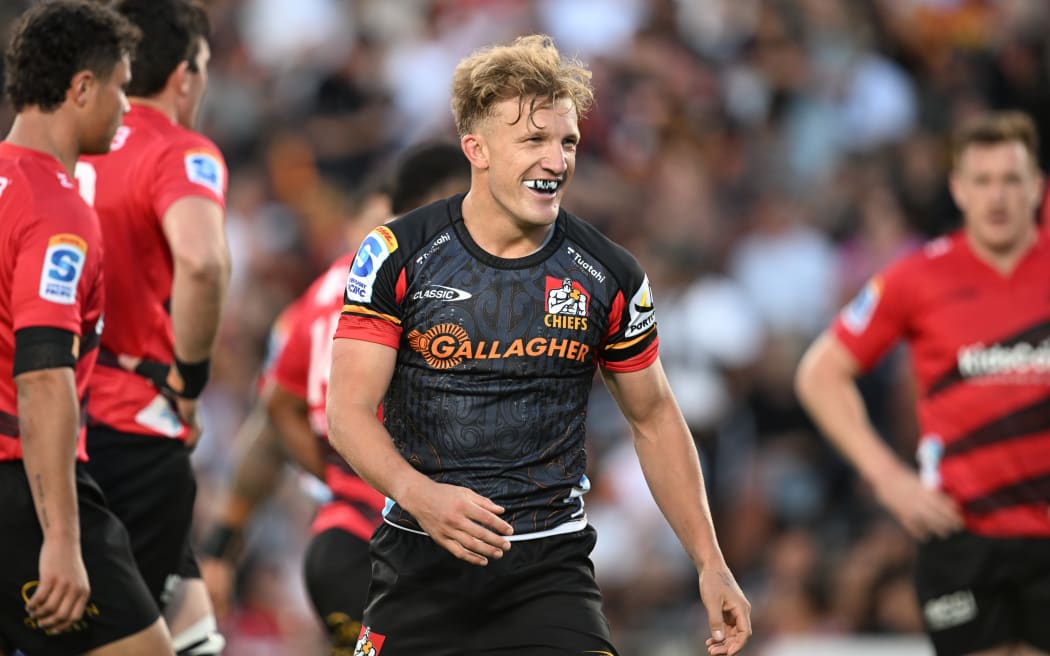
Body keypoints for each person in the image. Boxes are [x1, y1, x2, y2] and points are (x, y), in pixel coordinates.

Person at [327, 34, 751, 656]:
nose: (557, 161)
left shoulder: (609, 274)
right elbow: (348, 411)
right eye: (533, 140)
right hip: (420, 568)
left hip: (548, 576)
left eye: (568, 142)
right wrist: (421, 496)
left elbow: (655, 418)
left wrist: (710, 561)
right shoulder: (397, 253)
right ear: (477, 150)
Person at [199, 141, 471, 653]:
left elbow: (276, 410)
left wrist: (223, 541)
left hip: (347, 537)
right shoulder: (433, 286)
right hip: (406, 541)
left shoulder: (313, 300)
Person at [795, 110, 1050, 656]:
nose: (997, 196)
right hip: (959, 533)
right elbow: (820, 374)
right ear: (958, 189)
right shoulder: (918, 279)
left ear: (1037, 187)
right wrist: (888, 479)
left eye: (1011, 179)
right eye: (982, 181)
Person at [0, 2, 176, 654]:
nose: (128, 107)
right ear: (81, 88)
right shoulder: (56, 211)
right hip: (20, 481)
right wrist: (63, 541)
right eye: (122, 88)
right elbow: (44, 373)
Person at [76, 0, 230, 654]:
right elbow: (201, 262)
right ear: (184, 75)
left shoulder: (61, 146)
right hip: (132, 426)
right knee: (116, 635)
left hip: (57, 418)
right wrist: (188, 380)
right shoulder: (178, 149)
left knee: (189, 626)